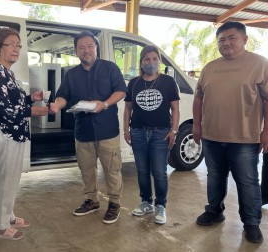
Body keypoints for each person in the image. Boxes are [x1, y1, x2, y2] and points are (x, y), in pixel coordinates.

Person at [193, 21, 268, 244]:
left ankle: (251, 223)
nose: (226, 43)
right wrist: (197, 126)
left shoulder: (259, 64)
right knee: (214, 177)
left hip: (244, 138)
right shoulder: (210, 67)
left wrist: (266, 132)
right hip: (212, 137)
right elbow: (198, 97)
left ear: (244, 39)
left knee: (247, 182)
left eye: (231, 38)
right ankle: (214, 211)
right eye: (221, 40)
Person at [50, 31, 126, 224]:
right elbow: (63, 95)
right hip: (83, 132)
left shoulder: (110, 68)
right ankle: (91, 200)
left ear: (96, 48)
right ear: (76, 51)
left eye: (90, 46)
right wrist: (58, 104)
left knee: (112, 170)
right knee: (86, 170)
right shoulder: (71, 75)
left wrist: (105, 104)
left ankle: (115, 203)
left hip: (107, 130)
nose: (86, 50)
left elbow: (120, 91)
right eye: (81, 47)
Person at [0, 28, 48, 240]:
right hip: (6, 133)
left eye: (18, 45)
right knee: (5, 179)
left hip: (16, 132)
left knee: (12, 178)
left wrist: (30, 98)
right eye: (11, 44)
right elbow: (4, 109)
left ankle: (8, 216)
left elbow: (14, 102)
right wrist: (33, 110)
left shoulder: (6, 72)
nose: (16, 48)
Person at [123, 45, 180, 225]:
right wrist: (126, 130)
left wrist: (174, 130)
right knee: (142, 170)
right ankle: (146, 202)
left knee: (159, 171)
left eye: (155, 59)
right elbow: (127, 109)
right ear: (141, 62)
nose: (151, 62)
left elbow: (175, 108)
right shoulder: (133, 83)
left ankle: (161, 205)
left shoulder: (168, 82)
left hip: (161, 133)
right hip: (138, 132)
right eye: (147, 59)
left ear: (159, 61)